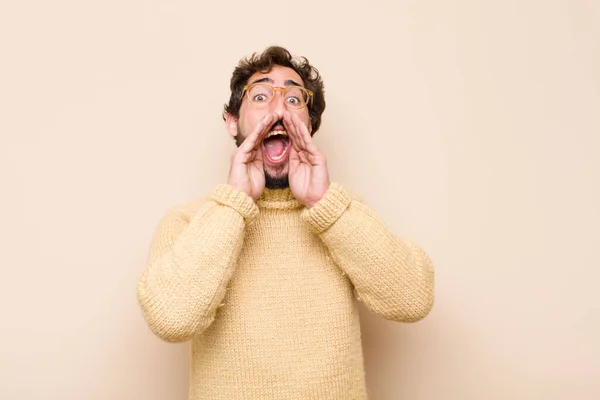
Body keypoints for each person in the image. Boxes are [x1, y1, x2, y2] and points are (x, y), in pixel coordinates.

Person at [137, 46, 434, 399]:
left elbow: (413, 300)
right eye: (261, 96)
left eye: (294, 100)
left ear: (310, 125)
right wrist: (234, 205)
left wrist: (326, 206)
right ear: (232, 121)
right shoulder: (189, 221)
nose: (278, 110)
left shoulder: (340, 214)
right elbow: (171, 319)